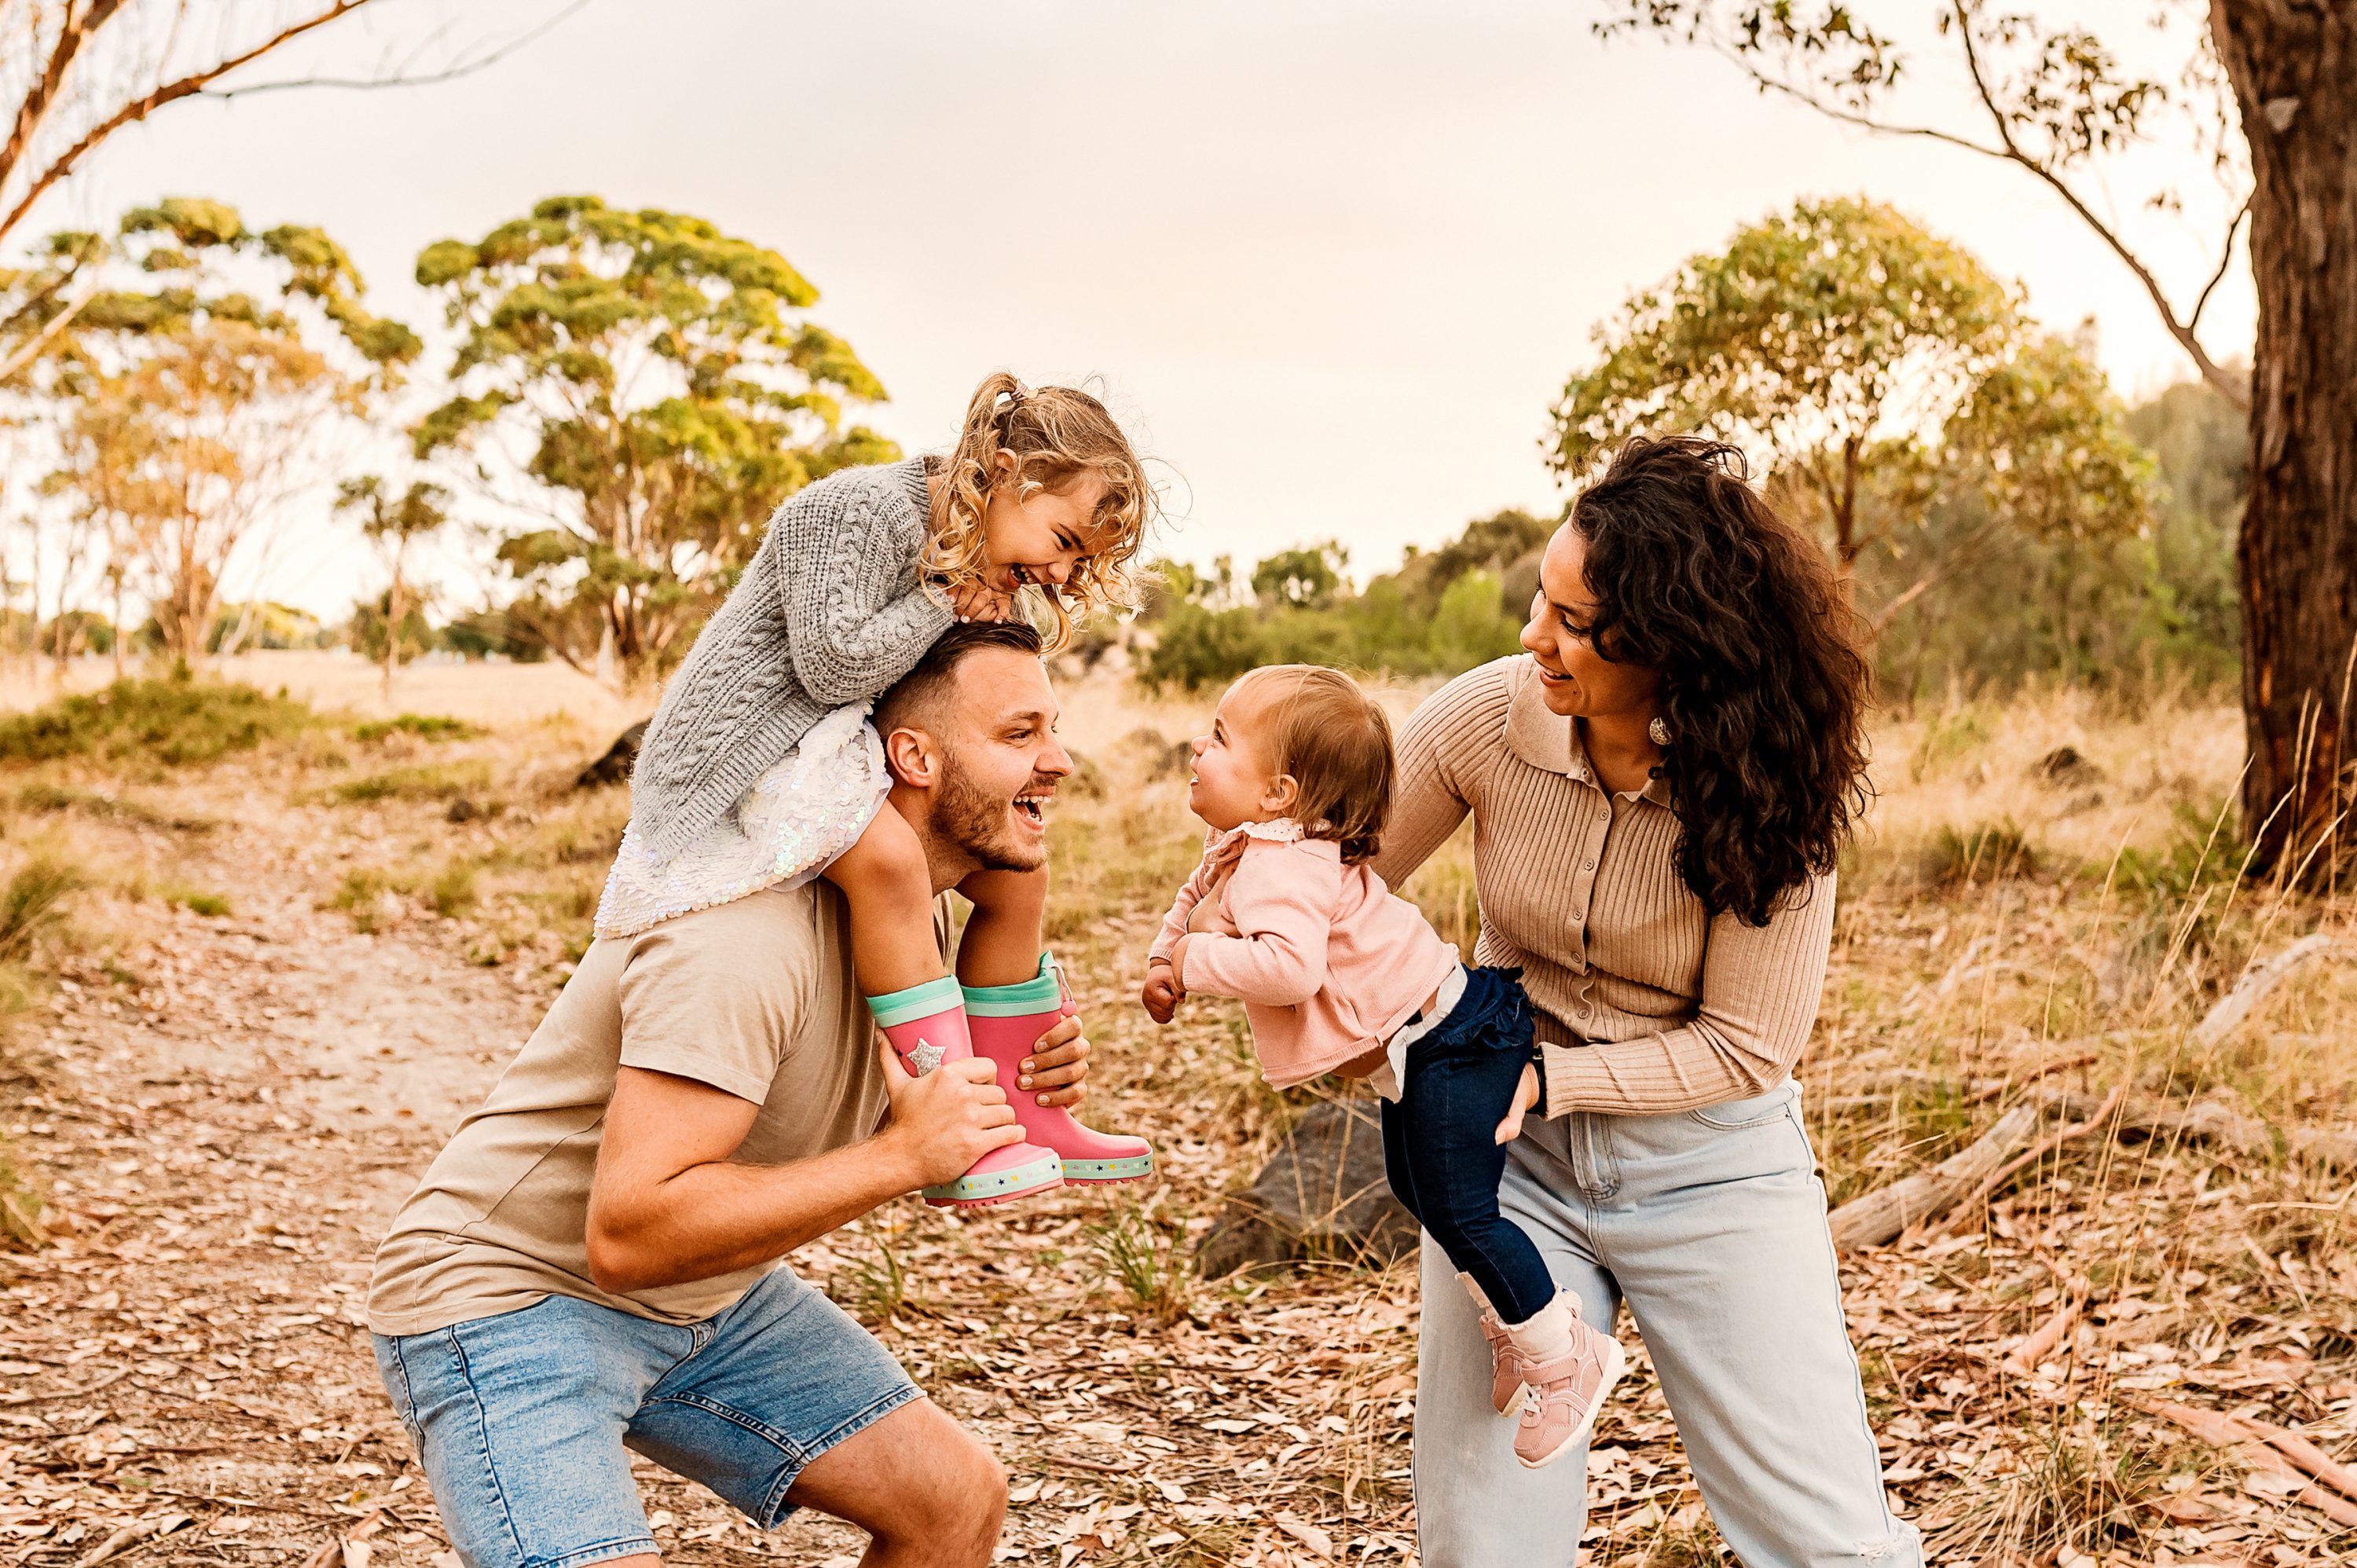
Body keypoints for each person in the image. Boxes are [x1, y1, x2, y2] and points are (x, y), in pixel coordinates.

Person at [368, 622, 1098, 1568]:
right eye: (1020, 734)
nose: (1061, 761)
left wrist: (991, 1101)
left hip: (703, 1299)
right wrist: (899, 1156)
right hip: (509, 1297)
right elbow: (628, 1230)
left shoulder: (907, 921)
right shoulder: (742, 935)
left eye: (1055, 729)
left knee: (953, 1503)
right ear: (912, 757)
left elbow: (901, 1124)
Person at [1369, 437, 1914, 1567]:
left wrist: (1547, 1077)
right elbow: (1341, 878)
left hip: (1711, 1166)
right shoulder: (1486, 721)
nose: (1534, 637)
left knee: (1825, 1543)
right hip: (1508, 1169)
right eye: (1541, 599)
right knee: (1486, 1548)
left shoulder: (1771, 785)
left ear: (1676, 643)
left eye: (1574, 622)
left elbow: (1749, 1046)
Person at [604, 372, 1154, 1206]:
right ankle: (949, 1125)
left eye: (1079, 557)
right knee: (891, 858)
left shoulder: (977, 565)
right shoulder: (858, 510)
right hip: (745, 752)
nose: (1059, 565)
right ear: (1006, 473)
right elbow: (833, 665)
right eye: (1064, 536)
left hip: (829, 743)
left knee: (1019, 871)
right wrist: (942, 602)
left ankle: (1020, 1113)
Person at [1140, 665, 1625, 1468]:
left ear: (1277, 792)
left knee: (1461, 1208)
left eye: (1221, 738)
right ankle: (1518, 1326)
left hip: (1451, 1041)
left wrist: (1191, 963)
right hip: (1424, 1042)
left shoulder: (1285, 865)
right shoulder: (1253, 843)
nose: (1198, 745)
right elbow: (1195, 896)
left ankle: (1564, 1350)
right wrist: (1168, 954)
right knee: (1417, 1191)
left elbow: (1290, 969)